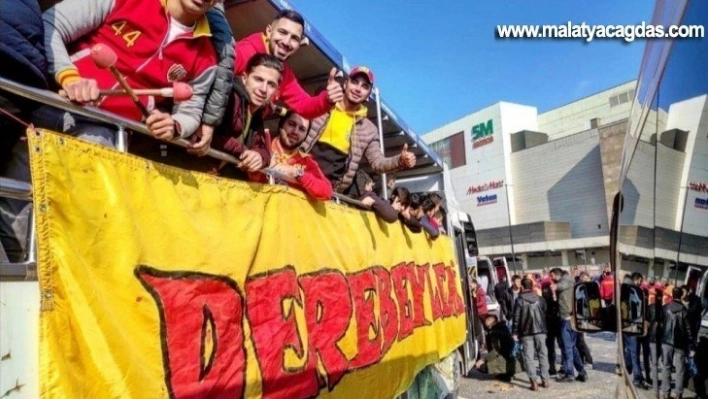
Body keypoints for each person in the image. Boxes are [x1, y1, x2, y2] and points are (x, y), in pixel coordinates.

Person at [0, 0, 220, 263]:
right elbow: (51, 25)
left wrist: (174, 125)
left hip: (107, 136)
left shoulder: (207, 57)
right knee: (15, 206)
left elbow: (191, 111)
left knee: (78, 224)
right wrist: (69, 76)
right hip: (50, 111)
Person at [302, 66, 416, 194]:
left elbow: (378, 163)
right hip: (299, 177)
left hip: (329, 192)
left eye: (365, 86)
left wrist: (400, 160)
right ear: (345, 84)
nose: (358, 89)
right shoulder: (322, 104)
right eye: (354, 82)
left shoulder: (369, 129)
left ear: (368, 95)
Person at [231, 10, 341, 120]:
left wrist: (327, 99)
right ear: (269, 31)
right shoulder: (245, 51)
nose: (286, 42)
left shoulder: (284, 74)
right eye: (282, 32)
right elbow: (216, 71)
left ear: (300, 43)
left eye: (294, 38)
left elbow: (304, 105)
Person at [251, 111, 332, 200]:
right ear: (281, 125)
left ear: (305, 136)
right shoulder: (263, 143)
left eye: (302, 129)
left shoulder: (307, 161)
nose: (295, 132)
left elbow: (326, 192)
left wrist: (297, 173)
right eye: (292, 124)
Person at [550, 267, 588, 383]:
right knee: (571, 347)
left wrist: (554, 287)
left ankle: (569, 374)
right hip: (571, 318)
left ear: (556, 274)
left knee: (567, 348)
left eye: (552, 276)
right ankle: (581, 372)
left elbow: (561, 285)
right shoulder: (569, 280)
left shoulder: (566, 280)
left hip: (567, 318)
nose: (551, 279)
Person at [513, 278, 550, 391]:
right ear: (532, 286)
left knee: (529, 357)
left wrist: (515, 332)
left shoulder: (519, 300)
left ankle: (533, 382)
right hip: (541, 330)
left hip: (526, 331)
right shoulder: (540, 299)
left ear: (522, 287)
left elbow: (516, 318)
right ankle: (545, 380)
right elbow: (545, 311)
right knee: (543, 355)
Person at [661, 287, 695, 399]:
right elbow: (689, 330)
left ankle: (665, 392)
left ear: (672, 294)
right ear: (681, 295)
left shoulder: (665, 308)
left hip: (666, 341)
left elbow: (661, 324)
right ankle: (678, 394)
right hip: (680, 343)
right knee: (680, 369)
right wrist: (692, 346)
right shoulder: (684, 311)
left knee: (666, 367)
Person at [474, 314, 517, 383]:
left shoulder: (494, 332)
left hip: (505, 360)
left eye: (487, 320)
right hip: (510, 360)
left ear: (490, 321)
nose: (485, 322)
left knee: (481, 366)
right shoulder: (502, 327)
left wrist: (483, 360)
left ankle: (505, 372)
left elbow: (495, 351)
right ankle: (506, 374)